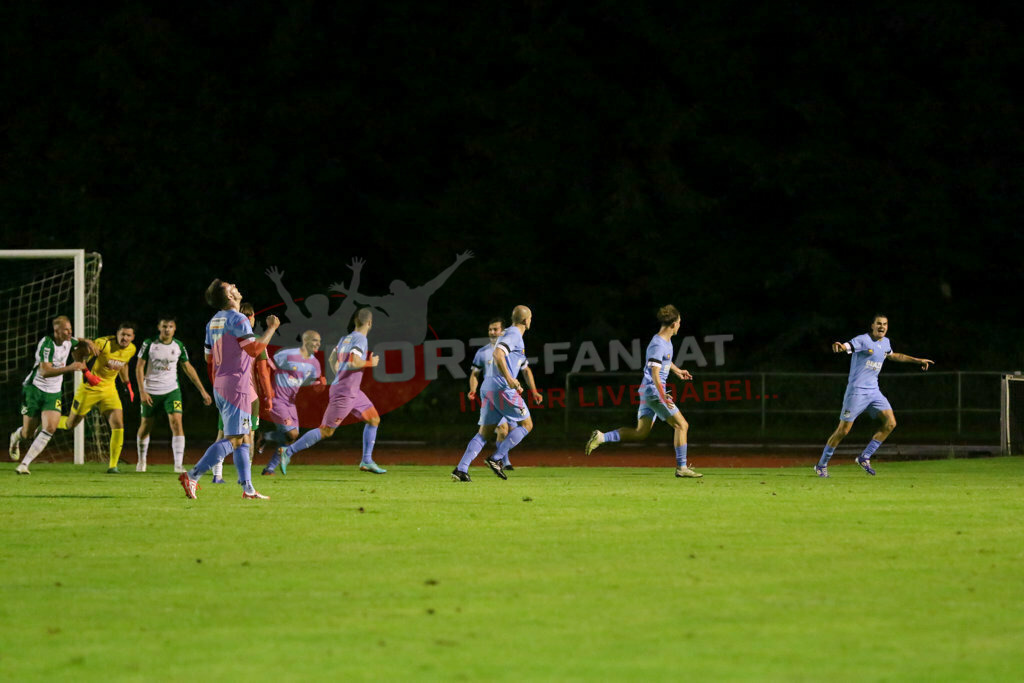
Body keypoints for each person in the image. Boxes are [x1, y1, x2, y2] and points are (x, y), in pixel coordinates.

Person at [178, 281, 279, 500]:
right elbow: (254, 350)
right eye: (229, 286)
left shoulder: (213, 321)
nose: (234, 285)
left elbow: (207, 357)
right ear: (230, 297)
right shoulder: (239, 319)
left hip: (221, 383)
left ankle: (248, 488)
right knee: (234, 439)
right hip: (237, 385)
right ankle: (193, 475)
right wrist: (271, 328)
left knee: (243, 439)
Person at [584, 305, 703, 478]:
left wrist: (677, 371)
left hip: (649, 392)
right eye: (679, 323)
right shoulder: (658, 344)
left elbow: (665, 362)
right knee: (681, 425)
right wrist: (662, 394)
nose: (679, 326)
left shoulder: (665, 341)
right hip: (654, 392)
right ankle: (682, 467)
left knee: (640, 433)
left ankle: (602, 437)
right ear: (673, 324)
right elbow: (654, 372)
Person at [814, 314, 934, 477]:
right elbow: (847, 346)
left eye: (885, 324)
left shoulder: (885, 342)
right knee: (843, 430)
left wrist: (917, 360)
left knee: (890, 423)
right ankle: (821, 464)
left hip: (873, 392)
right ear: (872, 325)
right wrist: (840, 347)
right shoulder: (863, 340)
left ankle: (865, 457)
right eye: (879, 323)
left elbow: (894, 355)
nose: (882, 326)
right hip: (856, 392)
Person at [273, 307, 386, 474]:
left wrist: (339, 373)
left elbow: (333, 358)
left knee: (374, 420)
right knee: (326, 430)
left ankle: (367, 460)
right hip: (345, 392)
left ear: (355, 321)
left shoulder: (345, 339)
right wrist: (371, 363)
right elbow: (354, 362)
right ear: (369, 323)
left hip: (352, 390)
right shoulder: (361, 339)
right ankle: (288, 452)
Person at [453, 305, 542, 482]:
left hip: (489, 386)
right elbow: (498, 353)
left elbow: (510, 357)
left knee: (484, 433)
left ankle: (461, 469)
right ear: (526, 320)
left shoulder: (510, 331)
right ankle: (496, 458)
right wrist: (510, 379)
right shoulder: (515, 334)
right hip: (503, 387)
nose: (531, 321)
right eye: (530, 318)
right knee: (527, 424)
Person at [11, 316, 97, 474]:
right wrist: (70, 368)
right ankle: (16, 436)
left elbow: (78, 340)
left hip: (53, 392)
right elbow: (45, 371)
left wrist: (88, 342)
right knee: (27, 433)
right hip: (34, 389)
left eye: (70, 328)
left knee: (50, 427)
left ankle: (24, 464)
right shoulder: (47, 344)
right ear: (56, 331)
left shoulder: (69, 340)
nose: (69, 332)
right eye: (66, 329)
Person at [135, 317, 213, 473]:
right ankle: (141, 461)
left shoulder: (178, 346)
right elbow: (139, 368)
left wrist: (203, 391)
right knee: (146, 426)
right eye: (164, 326)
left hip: (171, 390)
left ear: (174, 328)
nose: (167, 329)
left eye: (170, 326)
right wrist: (142, 392)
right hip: (151, 390)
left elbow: (188, 368)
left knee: (177, 422)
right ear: (159, 327)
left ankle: (178, 464)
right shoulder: (149, 344)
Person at [58, 323, 138, 474]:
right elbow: (76, 353)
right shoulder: (104, 343)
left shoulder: (132, 349)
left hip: (109, 390)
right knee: (70, 424)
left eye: (128, 335)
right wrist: (88, 374)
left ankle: (113, 466)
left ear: (133, 337)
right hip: (89, 389)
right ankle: (48, 423)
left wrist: (128, 385)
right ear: (117, 334)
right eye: (122, 334)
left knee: (118, 424)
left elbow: (124, 365)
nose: (125, 338)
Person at [260, 330, 325, 475]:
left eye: (319, 341)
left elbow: (313, 385)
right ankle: (266, 437)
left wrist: (319, 386)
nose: (318, 344)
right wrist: (268, 390)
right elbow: (266, 365)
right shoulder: (287, 355)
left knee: (289, 439)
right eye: (315, 340)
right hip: (277, 399)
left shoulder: (315, 363)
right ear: (305, 340)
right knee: (293, 434)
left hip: (291, 403)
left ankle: (269, 468)